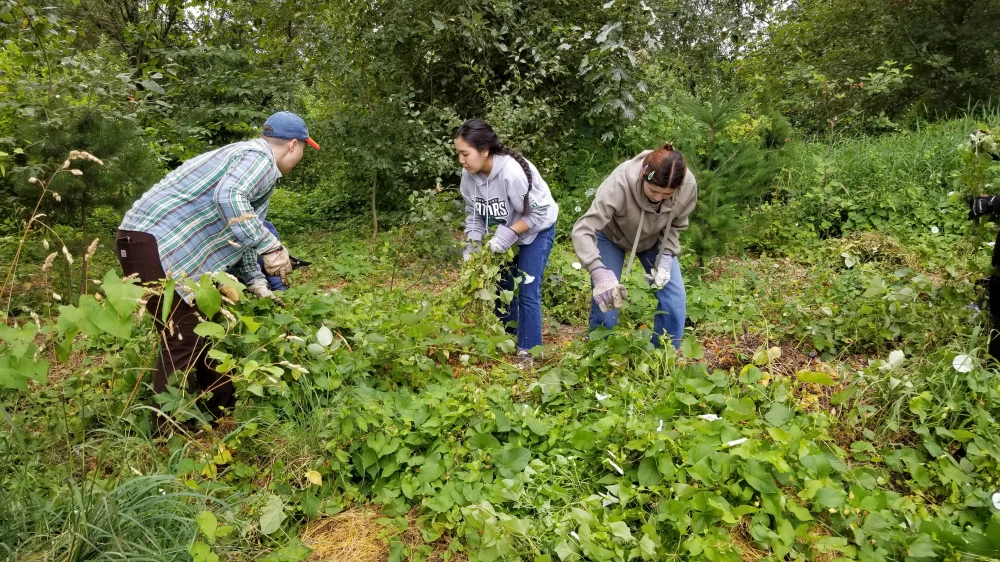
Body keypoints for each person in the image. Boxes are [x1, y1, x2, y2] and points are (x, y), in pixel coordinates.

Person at [115, 111, 319, 432]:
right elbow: (229, 197)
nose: (302, 155)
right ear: (293, 145)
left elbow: (239, 231)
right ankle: (163, 434)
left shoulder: (246, 159)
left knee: (204, 331)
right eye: (304, 148)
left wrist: (256, 283)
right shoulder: (259, 159)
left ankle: (221, 414)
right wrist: (273, 247)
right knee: (182, 339)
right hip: (161, 247)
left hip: (144, 244)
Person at [571, 143, 697, 349]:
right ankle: (598, 354)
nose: (658, 198)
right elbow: (583, 229)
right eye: (654, 191)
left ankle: (663, 356)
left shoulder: (688, 185)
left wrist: (666, 256)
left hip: (656, 240)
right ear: (642, 174)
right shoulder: (619, 183)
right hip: (613, 236)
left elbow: (677, 223)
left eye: (667, 195)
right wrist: (596, 269)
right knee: (608, 302)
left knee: (675, 299)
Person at [455, 119, 559, 359]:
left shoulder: (511, 174)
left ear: (484, 151)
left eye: (465, 153)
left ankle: (528, 351)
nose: (461, 160)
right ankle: (507, 340)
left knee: (527, 289)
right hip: (503, 238)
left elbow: (539, 212)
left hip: (536, 231)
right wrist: (472, 247)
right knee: (503, 287)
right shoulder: (468, 176)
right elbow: (474, 215)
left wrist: (511, 232)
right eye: (458, 154)